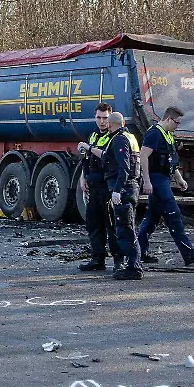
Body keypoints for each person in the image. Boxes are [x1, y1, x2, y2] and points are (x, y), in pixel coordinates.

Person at [137, 106, 194, 266]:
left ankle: (140, 252)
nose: (178, 126)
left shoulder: (168, 135)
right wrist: (146, 181)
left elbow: (170, 161)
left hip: (164, 178)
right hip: (156, 180)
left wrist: (180, 179)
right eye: (177, 122)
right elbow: (143, 156)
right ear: (168, 119)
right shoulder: (154, 133)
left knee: (151, 219)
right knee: (173, 214)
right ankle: (189, 254)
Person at [77, 103, 124, 272]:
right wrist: (83, 178)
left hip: (107, 186)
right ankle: (97, 259)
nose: (102, 122)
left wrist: (89, 148)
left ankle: (119, 261)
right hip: (93, 185)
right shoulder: (93, 136)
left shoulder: (114, 137)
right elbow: (85, 160)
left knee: (112, 225)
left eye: (105, 118)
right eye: (98, 117)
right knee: (94, 224)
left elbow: (106, 156)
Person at [100, 113, 142, 280]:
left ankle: (134, 268)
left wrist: (117, 189)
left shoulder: (119, 139)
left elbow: (123, 167)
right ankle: (134, 266)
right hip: (131, 187)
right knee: (128, 227)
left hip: (124, 189)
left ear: (110, 125)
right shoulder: (130, 137)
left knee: (125, 229)